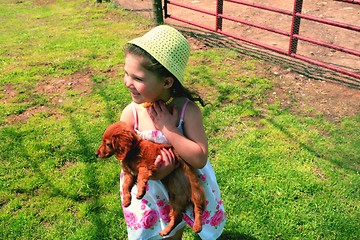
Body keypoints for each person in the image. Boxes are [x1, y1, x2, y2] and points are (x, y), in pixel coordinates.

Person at [119, 25, 226, 240]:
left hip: (181, 188)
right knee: (147, 233)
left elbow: (199, 158)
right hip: (147, 192)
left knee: (172, 230)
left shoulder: (187, 112)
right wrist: (156, 174)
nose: (127, 82)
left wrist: (169, 129)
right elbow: (123, 157)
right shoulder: (132, 114)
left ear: (167, 82)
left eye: (138, 79)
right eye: (126, 74)